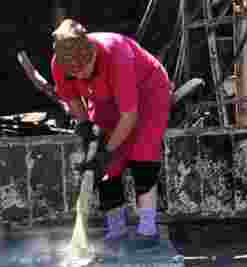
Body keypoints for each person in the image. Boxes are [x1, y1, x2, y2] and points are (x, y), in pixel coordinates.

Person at [48, 18, 172, 244]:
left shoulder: (117, 55)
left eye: (84, 69)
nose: (80, 77)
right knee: (106, 168)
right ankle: (116, 230)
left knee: (142, 155)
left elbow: (129, 117)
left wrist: (107, 150)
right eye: (73, 74)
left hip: (148, 92)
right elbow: (74, 98)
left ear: (92, 54)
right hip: (105, 99)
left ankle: (147, 229)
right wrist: (87, 128)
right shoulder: (59, 64)